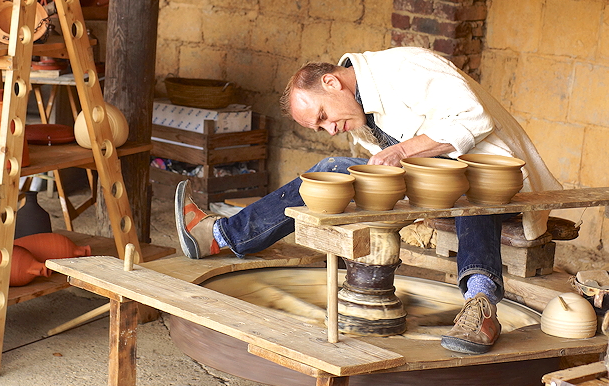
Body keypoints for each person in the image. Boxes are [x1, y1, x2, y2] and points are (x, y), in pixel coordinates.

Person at [174, 47, 561, 355]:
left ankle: (480, 306)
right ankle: (222, 235)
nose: (329, 129)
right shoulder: (361, 109)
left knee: (467, 185)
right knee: (333, 167)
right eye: (320, 126)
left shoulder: (405, 68)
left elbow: (474, 118)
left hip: (500, 180)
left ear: (332, 82)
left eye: (324, 115)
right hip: (438, 179)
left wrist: (402, 153)